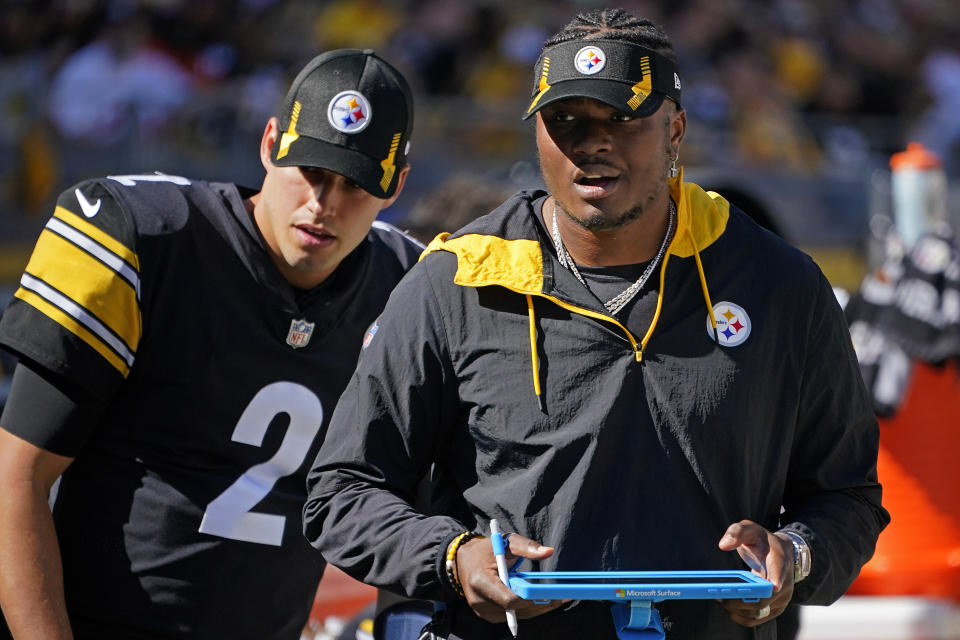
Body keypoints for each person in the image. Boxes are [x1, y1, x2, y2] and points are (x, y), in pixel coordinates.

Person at [303, 9, 890, 640]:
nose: (592, 143)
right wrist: (454, 557)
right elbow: (342, 490)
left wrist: (795, 555)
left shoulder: (779, 285)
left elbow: (848, 496)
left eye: (622, 118)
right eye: (566, 122)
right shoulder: (458, 280)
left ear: (676, 129)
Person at [0, 48, 420, 639]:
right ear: (271, 142)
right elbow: (16, 478)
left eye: (353, 185)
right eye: (312, 172)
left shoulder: (407, 288)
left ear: (395, 186)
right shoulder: (147, 236)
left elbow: (411, 508)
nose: (322, 205)